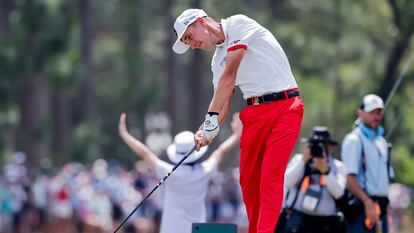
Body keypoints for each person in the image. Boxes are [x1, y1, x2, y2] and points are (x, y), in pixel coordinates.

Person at [172, 9, 304, 233]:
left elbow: (230, 75)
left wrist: (210, 118)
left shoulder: (238, 24)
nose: (191, 45)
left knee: (269, 179)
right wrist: (205, 131)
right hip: (254, 113)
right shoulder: (216, 62)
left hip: (286, 107)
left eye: (188, 37)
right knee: (248, 182)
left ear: (199, 22)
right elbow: (222, 101)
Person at [118, 112, 242, 233]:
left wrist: (125, 134)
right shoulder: (205, 170)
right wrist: (236, 135)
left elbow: (144, 153)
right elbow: (221, 151)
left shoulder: (169, 172)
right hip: (197, 230)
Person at [275, 126, 347, 233]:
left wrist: (326, 171)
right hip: (297, 222)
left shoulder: (338, 166)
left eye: (323, 145)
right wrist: (303, 161)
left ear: (330, 147)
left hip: (324, 224)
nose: (318, 148)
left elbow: (339, 193)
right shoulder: (299, 160)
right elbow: (286, 182)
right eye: (313, 144)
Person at [341, 94, 393, 233]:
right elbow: (349, 178)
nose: (376, 116)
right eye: (371, 112)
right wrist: (367, 202)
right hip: (361, 208)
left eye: (379, 112)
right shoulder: (354, 139)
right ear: (360, 113)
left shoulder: (381, 142)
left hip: (380, 208)